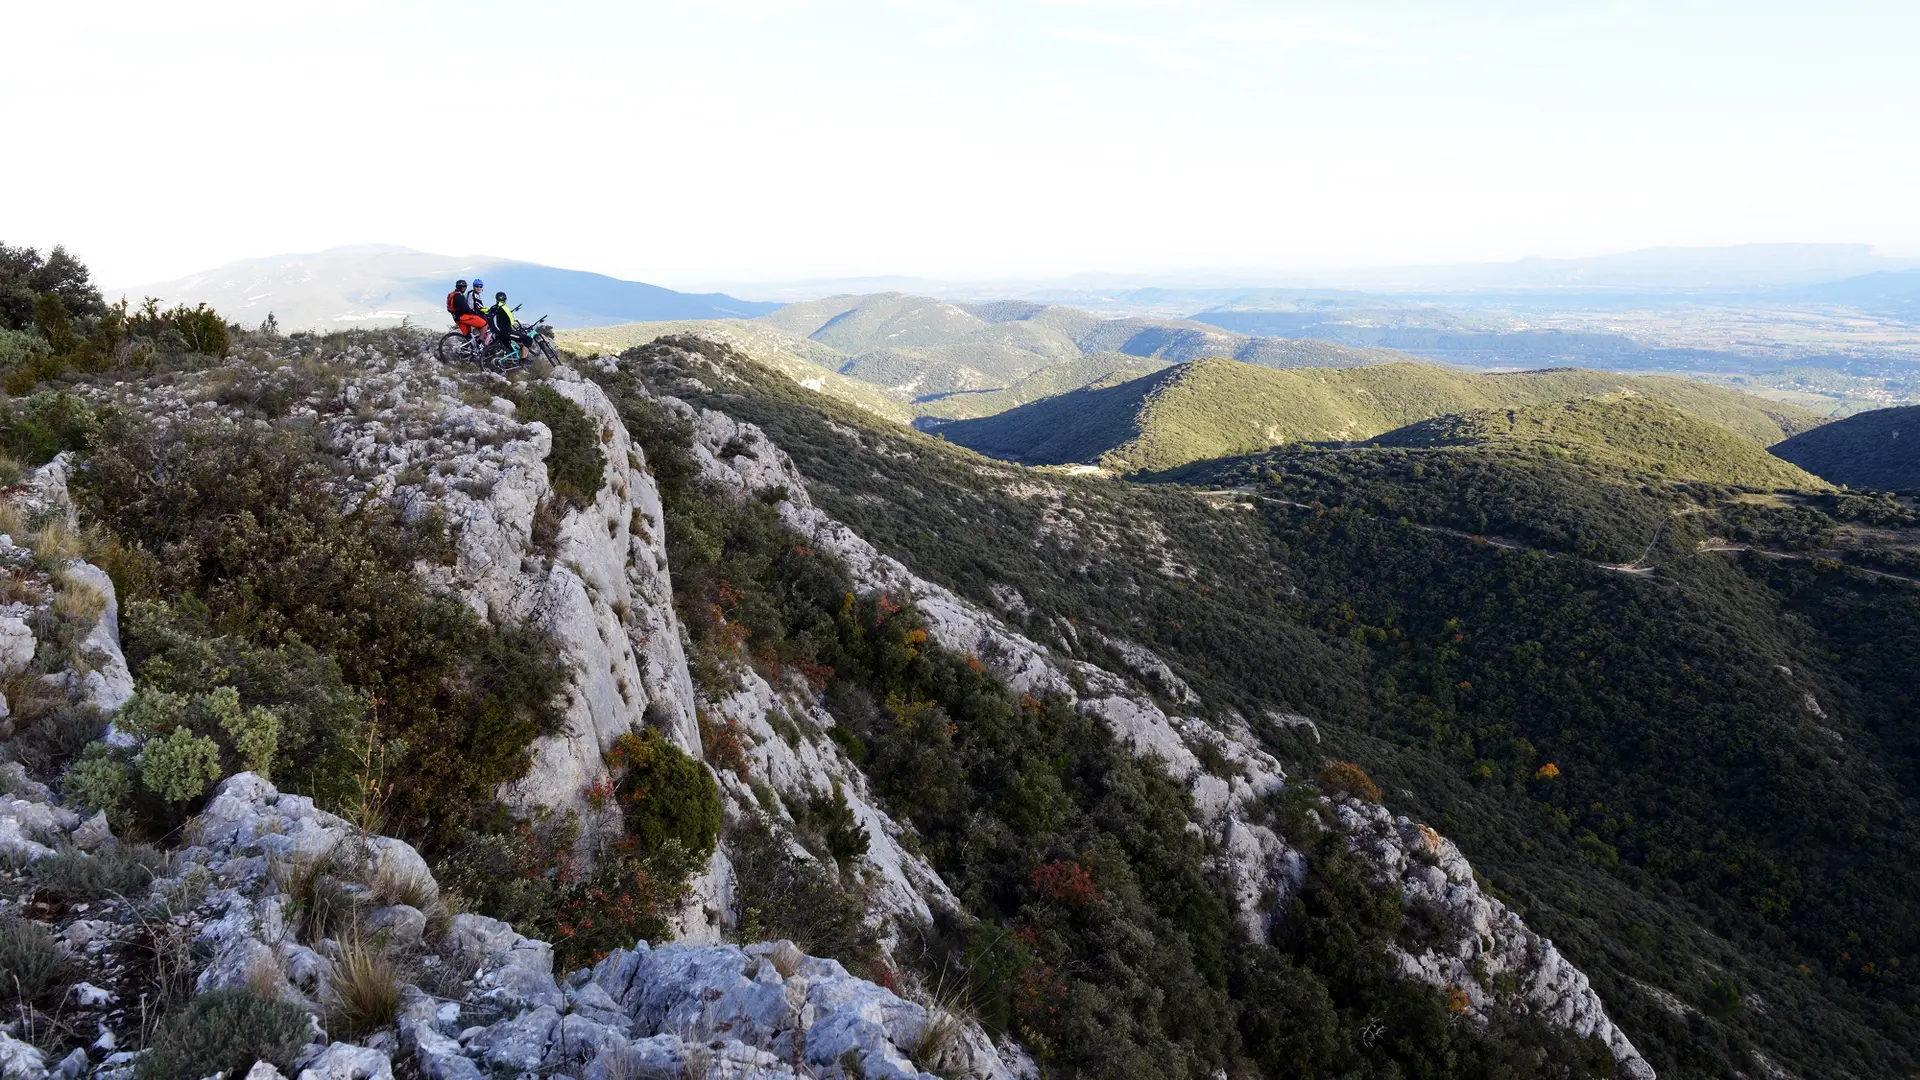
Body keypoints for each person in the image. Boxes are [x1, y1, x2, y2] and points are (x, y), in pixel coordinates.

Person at [486, 290, 531, 359]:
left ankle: (513, 361)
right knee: (528, 339)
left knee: (510, 349)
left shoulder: (493, 307)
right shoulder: (505, 308)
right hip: (507, 333)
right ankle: (524, 361)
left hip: (498, 334)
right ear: (505, 300)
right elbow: (512, 321)